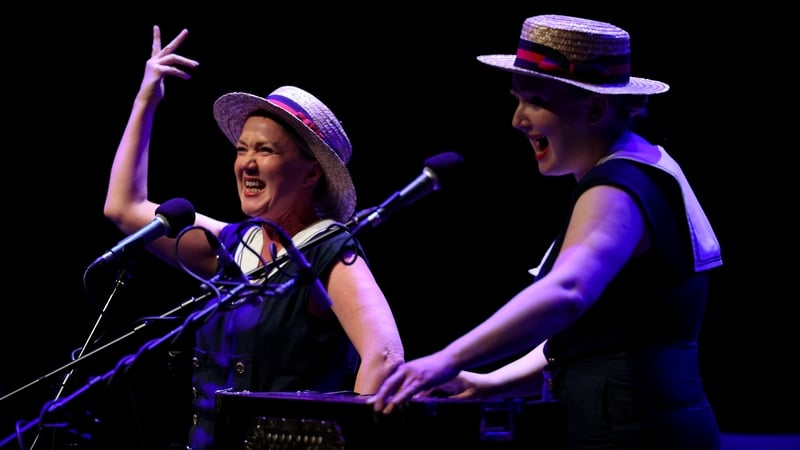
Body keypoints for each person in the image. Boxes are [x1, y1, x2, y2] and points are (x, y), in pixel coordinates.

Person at [369, 13, 722, 450]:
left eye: (536, 100)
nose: (517, 120)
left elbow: (567, 291)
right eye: (517, 100)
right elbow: (589, 336)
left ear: (594, 108)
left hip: (633, 432)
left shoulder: (617, 187)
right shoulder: (642, 166)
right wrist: (490, 382)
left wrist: (448, 358)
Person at [102, 25, 405, 450]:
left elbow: (386, 357)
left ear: (311, 171)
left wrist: (338, 440)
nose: (246, 163)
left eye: (265, 151)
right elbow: (123, 208)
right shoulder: (235, 244)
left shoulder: (327, 251)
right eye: (242, 149)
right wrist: (145, 99)